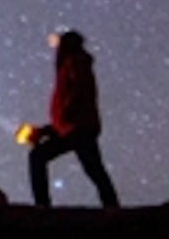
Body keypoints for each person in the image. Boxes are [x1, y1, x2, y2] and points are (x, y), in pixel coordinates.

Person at [23, 28, 120, 209]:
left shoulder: (75, 61)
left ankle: (43, 206)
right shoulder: (72, 63)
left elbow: (80, 90)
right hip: (73, 126)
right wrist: (48, 129)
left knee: (92, 168)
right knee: (93, 168)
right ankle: (112, 206)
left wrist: (66, 112)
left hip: (78, 126)